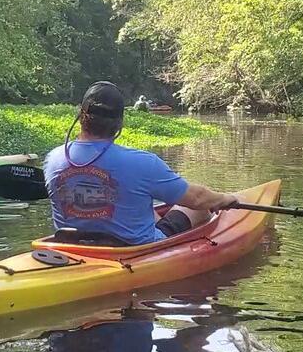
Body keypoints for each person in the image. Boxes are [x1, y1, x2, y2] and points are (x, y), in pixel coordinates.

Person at [43, 81, 237, 245]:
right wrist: (223, 199)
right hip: (133, 249)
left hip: (72, 246)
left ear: (80, 116)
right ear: (120, 123)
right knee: (200, 208)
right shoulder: (143, 163)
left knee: (145, 207)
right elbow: (197, 198)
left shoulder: (53, 159)